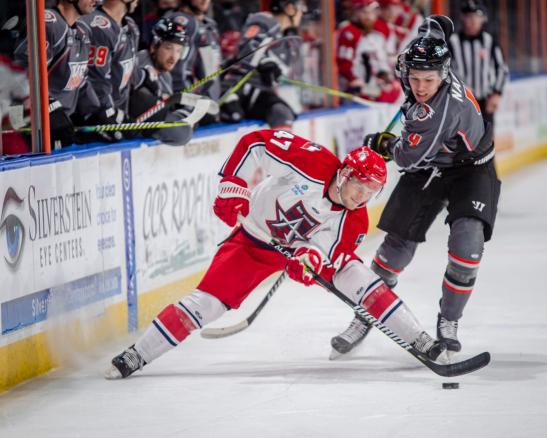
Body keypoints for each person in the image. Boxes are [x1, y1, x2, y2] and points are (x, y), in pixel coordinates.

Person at [105, 128, 449, 379]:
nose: (363, 198)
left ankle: (418, 339)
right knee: (206, 304)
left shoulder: (354, 219)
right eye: (360, 186)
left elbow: (330, 255)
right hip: (251, 242)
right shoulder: (311, 161)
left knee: (356, 275)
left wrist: (308, 261)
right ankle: (136, 355)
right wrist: (233, 186)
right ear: (345, 174)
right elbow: (254, 143)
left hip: (290, 250)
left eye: (372, 191)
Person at [330, 15, 500, 358]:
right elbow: (433, 29)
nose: (420, 87)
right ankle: (365, 316)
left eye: (429, 80)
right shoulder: (425, 65)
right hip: (431, 165)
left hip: (470, 169)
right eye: (415, 78)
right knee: (395, 249)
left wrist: (384, 145)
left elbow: (407, 159)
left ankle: (449, 322)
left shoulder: (439, 112)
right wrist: (437, 25)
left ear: (443, 74)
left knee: (467, 249)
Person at [13, 0, 100, 148]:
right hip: (30, 126)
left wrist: (97, 111)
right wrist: (50, 108)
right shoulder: (49, 23)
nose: (95, 1)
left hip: (60, 126)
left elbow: (81, 81)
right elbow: (19, 76)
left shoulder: (83, 33)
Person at [128, 16, 217, 145]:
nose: (174, 57)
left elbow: (165, 110)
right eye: (168, 48)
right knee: (182, 133)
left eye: (179, 50)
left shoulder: (165, 75)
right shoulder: (140, 65)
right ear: (154, 46)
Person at [219, 0, 304, 130]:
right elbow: (247, 50)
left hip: (260, 92)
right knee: (281, 113)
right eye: (301, 8)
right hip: (240, 88)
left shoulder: (287, 38)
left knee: (285, 113)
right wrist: (265, 63)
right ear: (290, 8)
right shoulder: (265, 22)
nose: (302, 12)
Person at [78, 0, 140, 142]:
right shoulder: (98, 25)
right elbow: (95, 80)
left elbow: (129, 75)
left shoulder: (131, 27)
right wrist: (110, 113)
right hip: (95, 116)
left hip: (116, 112)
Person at [448, 0, 508, 128]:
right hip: (461, 102)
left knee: (486, 143)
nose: (473, 21)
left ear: (483, 19)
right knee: (462, 143)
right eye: (469, 16)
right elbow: (446, 71)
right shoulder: (453, 43)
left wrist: (496, 94)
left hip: (485, 101)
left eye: (477, 16)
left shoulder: (490, 42)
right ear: (463, 18)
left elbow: (502, 69)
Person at [336, 0, 400, 103]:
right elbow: (344, 66)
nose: (368, 16)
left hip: (375, 92)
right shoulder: (348, 32)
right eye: (364, 12)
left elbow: (382, 63)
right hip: (355, 95)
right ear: (355, 12)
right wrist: (354, 82)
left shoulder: (377, 35)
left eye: (372, 12)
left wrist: (384, 77)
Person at [165, 0, 223, 104]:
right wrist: (187, 102)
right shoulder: (181, 21)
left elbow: (214, 68)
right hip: (188, 104)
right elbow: (177, 72)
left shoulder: (210, 25)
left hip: (210, 103)